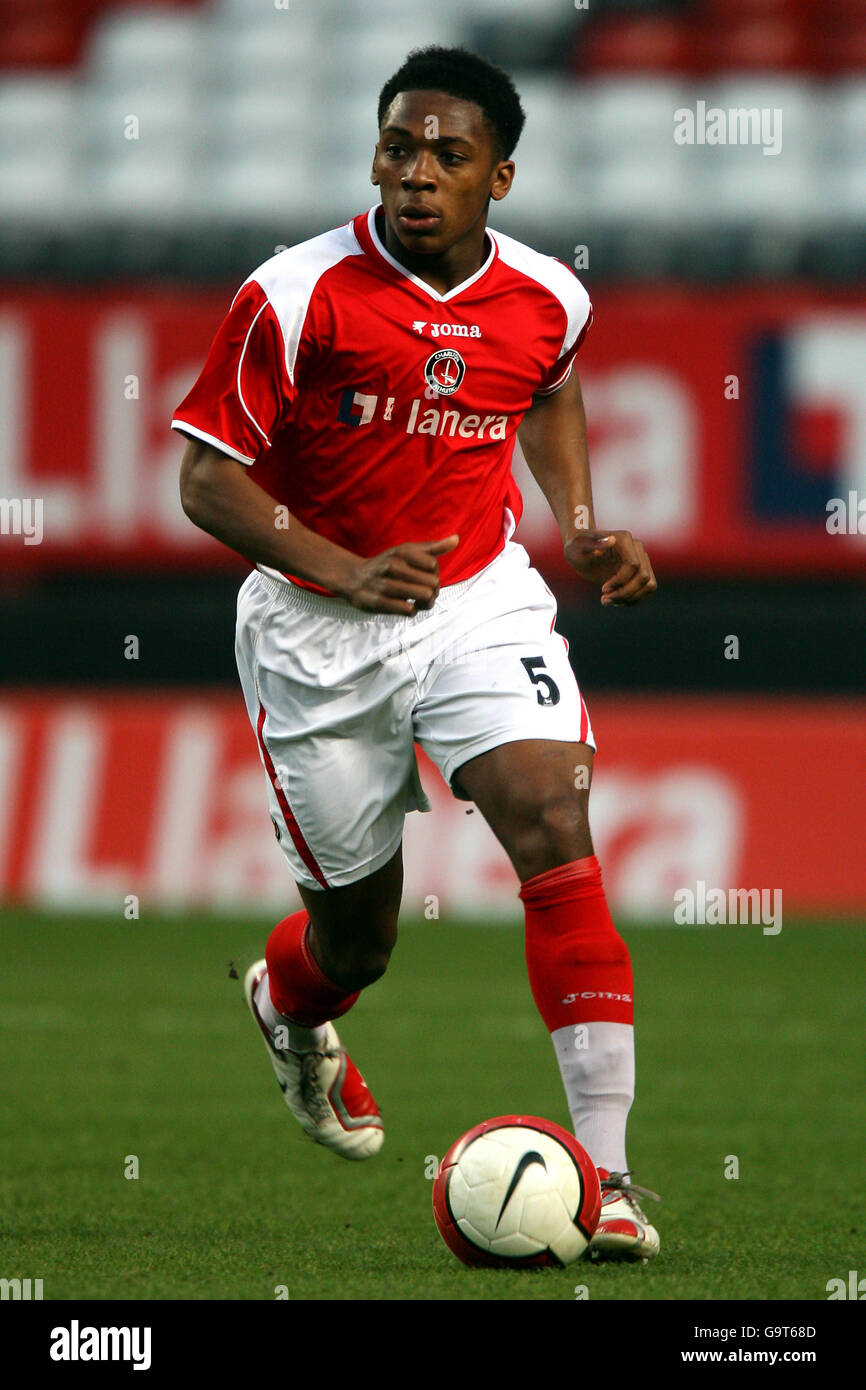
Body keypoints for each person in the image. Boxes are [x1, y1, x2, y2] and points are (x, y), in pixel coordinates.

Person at [173, 45, 660, 1261]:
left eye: (449, 154)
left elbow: (543, 388)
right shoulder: (294, 296)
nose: (417, 173)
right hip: (315, 632)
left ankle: (606, 1179)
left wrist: (582, 524)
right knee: (358, 943)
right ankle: (289, 1005)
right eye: (399, 146)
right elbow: (203, 479)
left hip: (474, 598)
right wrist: (343, 569)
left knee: (551, 818)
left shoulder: (548, 294)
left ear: (501, 173)